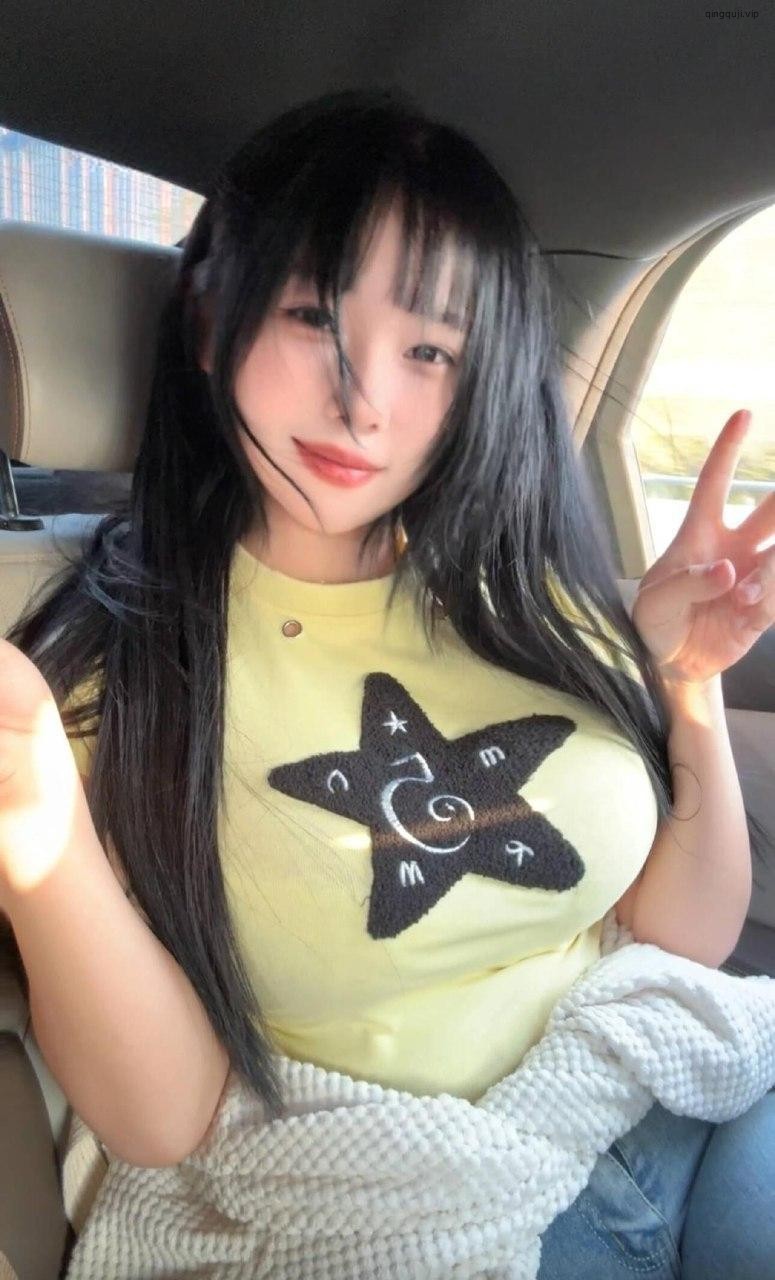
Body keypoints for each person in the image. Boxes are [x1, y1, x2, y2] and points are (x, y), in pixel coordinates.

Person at [0, 87, 773, 1278]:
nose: (363, 401)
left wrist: (684, 685)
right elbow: (164, 1121)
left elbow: (680, 936)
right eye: (314, 315)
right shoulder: (114, 673)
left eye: (428, 350)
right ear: (208, 321)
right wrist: (33, 817)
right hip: (412, 1202)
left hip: (667, 1100)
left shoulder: (526, 594)